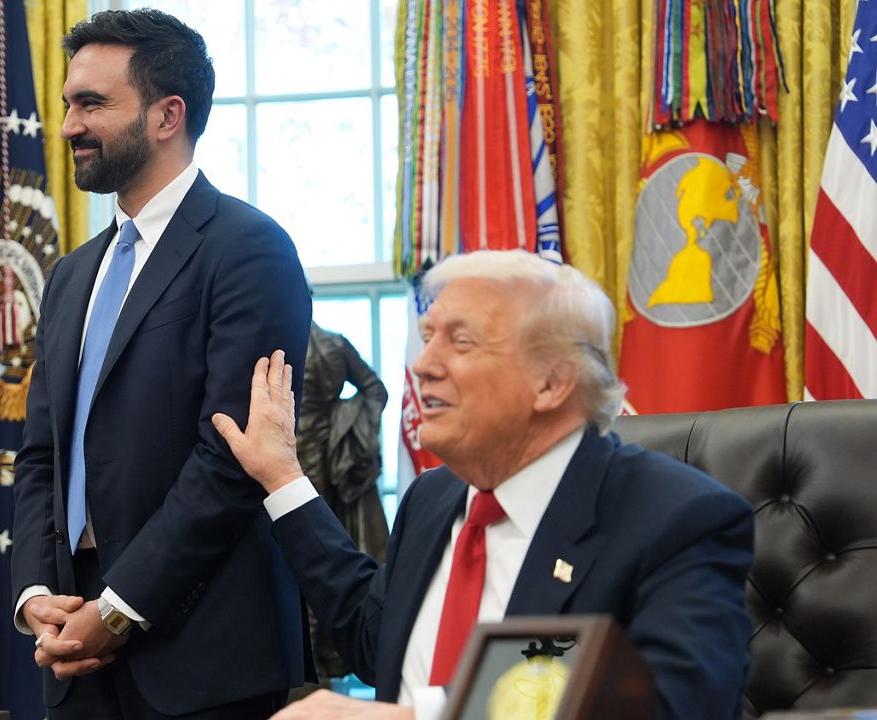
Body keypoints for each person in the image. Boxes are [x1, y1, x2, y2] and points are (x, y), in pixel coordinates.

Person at [213, 250, 754, 719]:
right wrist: (282, 475)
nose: (423, 366)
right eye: (428, 338)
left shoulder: (677, 520)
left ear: (552, 382)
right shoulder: (433, 498)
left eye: (461, 342)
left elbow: (670, 704)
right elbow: (377, 641)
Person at [10, 8, 313, 719]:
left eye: (92, 105)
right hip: (73, 655)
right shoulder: (70, 275)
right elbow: (38, 459)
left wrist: (117, 611)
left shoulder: (248, 250)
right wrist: (35, 600)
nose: (68, 127)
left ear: (166, 114)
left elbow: (231, 460)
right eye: (66, 105)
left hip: (203, 660)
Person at [297, 322, 389, 682]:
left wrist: (345, 427)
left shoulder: (330, 344)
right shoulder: (333, 343)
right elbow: (375, 390)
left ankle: (323, 661)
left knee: (321, 556)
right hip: (288, 456)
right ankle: (312, 660)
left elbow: (373, 390)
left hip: (329, 462)